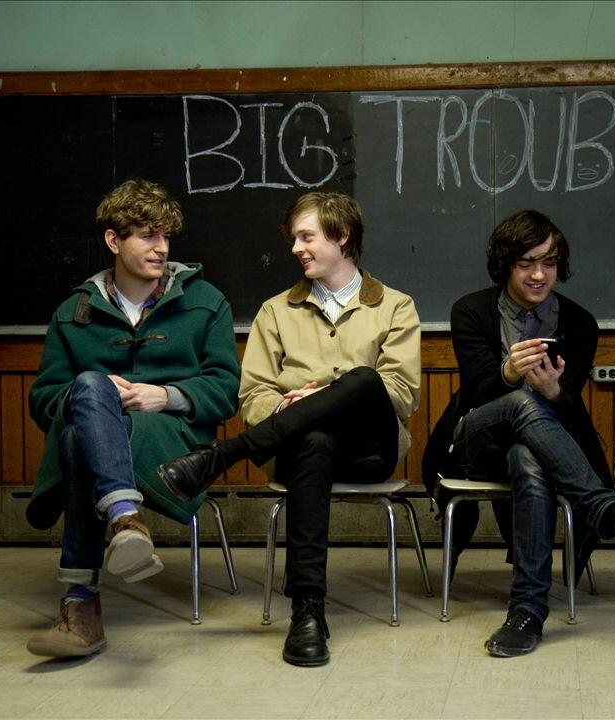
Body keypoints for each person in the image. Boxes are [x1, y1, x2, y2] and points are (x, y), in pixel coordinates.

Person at [158, 191, 421, 668]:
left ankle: (224, 455)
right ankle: (308, 612)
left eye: (307, 237)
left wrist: (320, 398)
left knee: (365, 380)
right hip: (301, 450)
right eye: (294, 239)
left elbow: (400, 394)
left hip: (371, 450)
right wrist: (290, 406)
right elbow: (253, 397)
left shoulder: (395, 307)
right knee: (315, 441)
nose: (296, 248)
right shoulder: (275, 311)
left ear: (342, 236)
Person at [424, 210, 615, 658]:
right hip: (476, 440)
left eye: (550, 262)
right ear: (505, 265)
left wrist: (555, 390)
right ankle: (611, 513)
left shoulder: (579, 322)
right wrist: (509, 372)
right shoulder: (471, 310)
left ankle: (527, 611)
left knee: (527, 458)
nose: (539, 275)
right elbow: (476, 391)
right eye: (526, 263)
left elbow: (570, 400)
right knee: (521, 404)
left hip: (540, 446)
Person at [25, 178, 242, 658]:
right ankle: (125, 518)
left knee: (79, 436)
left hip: (175, 449)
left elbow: (226, 390)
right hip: (99, 445)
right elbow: (43, 399)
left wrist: (165, 396)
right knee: (87, 400)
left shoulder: (207, 302)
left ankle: (80, 603)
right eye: (147, 236)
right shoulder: (73, 312)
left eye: (165, 236)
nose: (161, 247)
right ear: (113, 240)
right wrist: (93, 397)